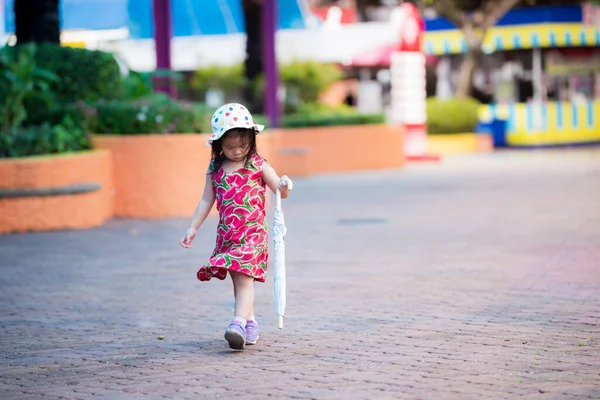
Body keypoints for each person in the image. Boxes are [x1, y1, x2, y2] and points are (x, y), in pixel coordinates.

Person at [180, 103, 293, 350]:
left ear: (251, 140)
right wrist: (193, 228)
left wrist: (284, 186)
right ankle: (250, 321)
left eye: (243, 145)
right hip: (228, 236)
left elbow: (278, 191)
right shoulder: (216, 169)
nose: (237, 151)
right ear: (218, 144)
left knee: (243, 280)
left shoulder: (258, 164)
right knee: (239, 281)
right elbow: (206, 200)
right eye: (230, 147)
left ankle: (238, 322)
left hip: (253, 235)